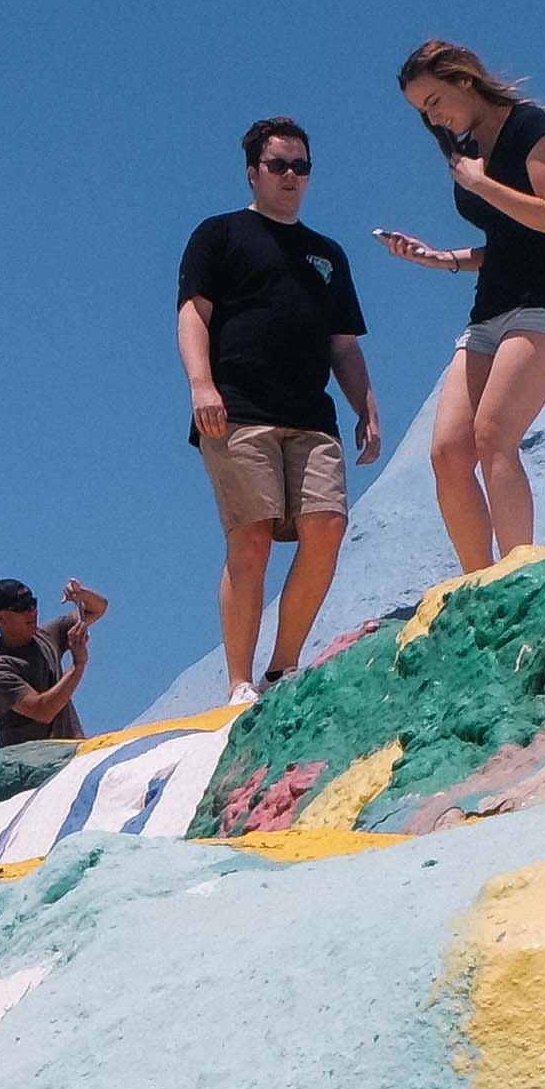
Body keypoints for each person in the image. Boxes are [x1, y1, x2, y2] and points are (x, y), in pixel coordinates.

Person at [178, 117, 382, 702]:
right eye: (278, 165)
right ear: (253, 172)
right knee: (253, 536)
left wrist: (364, 406)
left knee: (327, 525)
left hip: (312, 415)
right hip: (237, 409)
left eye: (301, 166)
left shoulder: (327, 254)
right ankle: (239, 681)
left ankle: (281, 668)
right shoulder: (219, 235)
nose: (291, 176)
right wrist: (201, 385)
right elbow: (194, 313)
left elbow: (343, 341)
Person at [374, 38, 545, 574]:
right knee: (447, 452)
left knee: (495, 434)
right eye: (423, 111)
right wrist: (438, 258)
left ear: (463, 80)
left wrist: (483, 184)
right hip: (490, 310)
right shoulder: (466, 157)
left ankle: (518, 572)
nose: (434, 116)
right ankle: (479, 582)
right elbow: (510, 241)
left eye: (434, 100)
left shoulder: (526, 126)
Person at [0, 577, 107, 747]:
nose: (32, 611)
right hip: (32, 766)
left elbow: (97, 608)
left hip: (70, 755)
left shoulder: (46, 636)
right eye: (22, 607)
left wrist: (80, 594)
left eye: (32, 603)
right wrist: (78, 665)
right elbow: (43, 710)